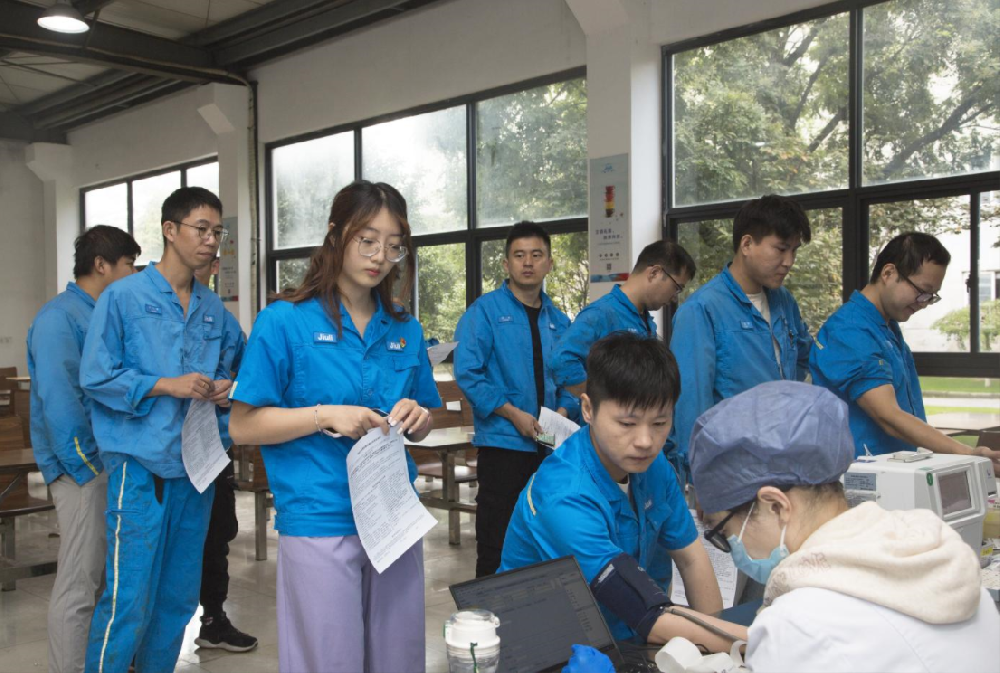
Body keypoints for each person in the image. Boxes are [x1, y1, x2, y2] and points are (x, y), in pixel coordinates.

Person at [228, 180, 441, 673]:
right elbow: (242, 425)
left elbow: (423, 421)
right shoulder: (284, 321)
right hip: (321, 516)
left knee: (399, 660)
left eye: (393, 245)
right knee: (329, 660)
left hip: (393, 515)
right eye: (367, 240)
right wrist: (325, 415)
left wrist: (419, 418)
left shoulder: (404, 327)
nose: (380, 256)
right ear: (335, 233)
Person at [690, 380, 1000, 672]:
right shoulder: (943, 558)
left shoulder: (798, 627)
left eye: (724, 531)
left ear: (776, 506)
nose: (732, 549)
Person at [500, 333, 745, 652]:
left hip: (625, 638)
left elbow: (691, 559)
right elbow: (646, 614)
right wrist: (751, 642)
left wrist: (720, 652)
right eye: (627, 424)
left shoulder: (655, 467)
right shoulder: (564, 495)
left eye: (660, 423)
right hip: (546, 649)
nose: (645, 441)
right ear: (588, 409)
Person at [81, 187, 240, 673]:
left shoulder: (213, 308)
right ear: (170, 230)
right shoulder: (123, 297)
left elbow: (242, 367)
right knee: (128, 600)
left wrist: (228, 388)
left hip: (196, 471)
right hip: (140, 468)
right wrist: (165, 385)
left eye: (217, 232)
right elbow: (96, 376)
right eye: (201, 229)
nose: (211, 240)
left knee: (177, 599)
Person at [27, 226, 139, 673]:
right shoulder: (60, 318)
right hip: (82, 469)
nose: (134, 274)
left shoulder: (101, 313)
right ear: (101, 265)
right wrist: (87, 467)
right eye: (129, 265)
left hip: (109, 462)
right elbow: (60, 401)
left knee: (103, 580)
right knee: (79, 582)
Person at [810, 232, 1000, 471]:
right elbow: (888, 416)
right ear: (888, 273)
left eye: (931, 296)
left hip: (895, 471)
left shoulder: (886, 326)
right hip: (862, 473)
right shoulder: (849, 330)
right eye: (922, 291)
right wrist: (967, 453)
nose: (924, 303)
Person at [454, 221, 579, 577]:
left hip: (550, 447)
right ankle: (490, 610)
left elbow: (572, 378)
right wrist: (511, 413)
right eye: (519, 255)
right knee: (497, 542)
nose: (528, 262)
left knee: (546, 540)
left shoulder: (559, 320)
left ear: (549, 263)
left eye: (536, 255)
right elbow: (469, 372)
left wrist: (562, 411)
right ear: (506, 264)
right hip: (503, 447)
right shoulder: (485, 312)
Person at [669, 195, 813, 482]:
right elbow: (690, 408)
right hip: (729, 470)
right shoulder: (702, 310)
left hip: (783, 459)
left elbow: (802, 361)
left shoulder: (784, 302)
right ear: (746, 244)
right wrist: (698, 478)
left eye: (794, 251)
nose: (789, 262)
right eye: (781, 249)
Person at [190, 257, 257, 653]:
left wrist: (230, 386)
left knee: (217, 536)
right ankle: (139, 640)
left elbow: (250, 374)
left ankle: (213, 619)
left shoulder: (224, 320)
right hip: (162, 451)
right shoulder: (144, 310)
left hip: (213, 447)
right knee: (162, 544)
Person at [549, 240, 695, 399]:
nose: (674, 297)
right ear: (654, 273)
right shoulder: (602, 314)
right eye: (677, 287)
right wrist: (601, 402)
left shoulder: (645, 321)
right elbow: (561, 360)